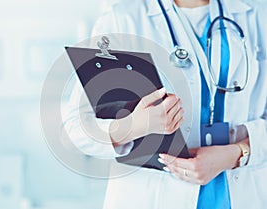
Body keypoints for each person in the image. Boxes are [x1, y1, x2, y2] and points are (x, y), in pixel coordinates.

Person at [64, 0, 267, 208]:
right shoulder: (122, 19)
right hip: (151, 195)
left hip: (244, 192)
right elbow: (76, 127)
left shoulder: (259, 15)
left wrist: (238, 153)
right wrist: (132, 126)